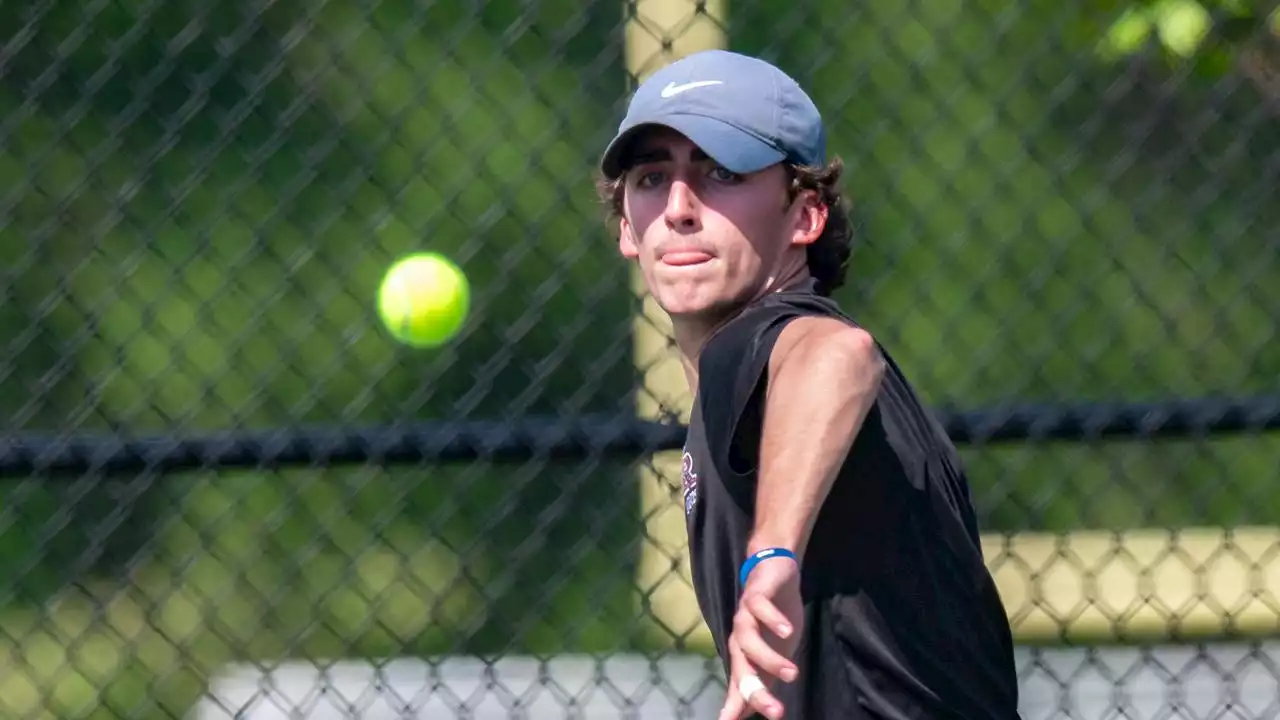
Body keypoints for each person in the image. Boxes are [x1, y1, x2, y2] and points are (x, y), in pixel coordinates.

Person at [595, 50, 1023, 720]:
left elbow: (835, 354)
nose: (679, 206)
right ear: (626, 225)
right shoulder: (738, 386)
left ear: (806, 215)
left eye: (723, 172)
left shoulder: (763, 338)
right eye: (652, 177)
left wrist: (773, 552)